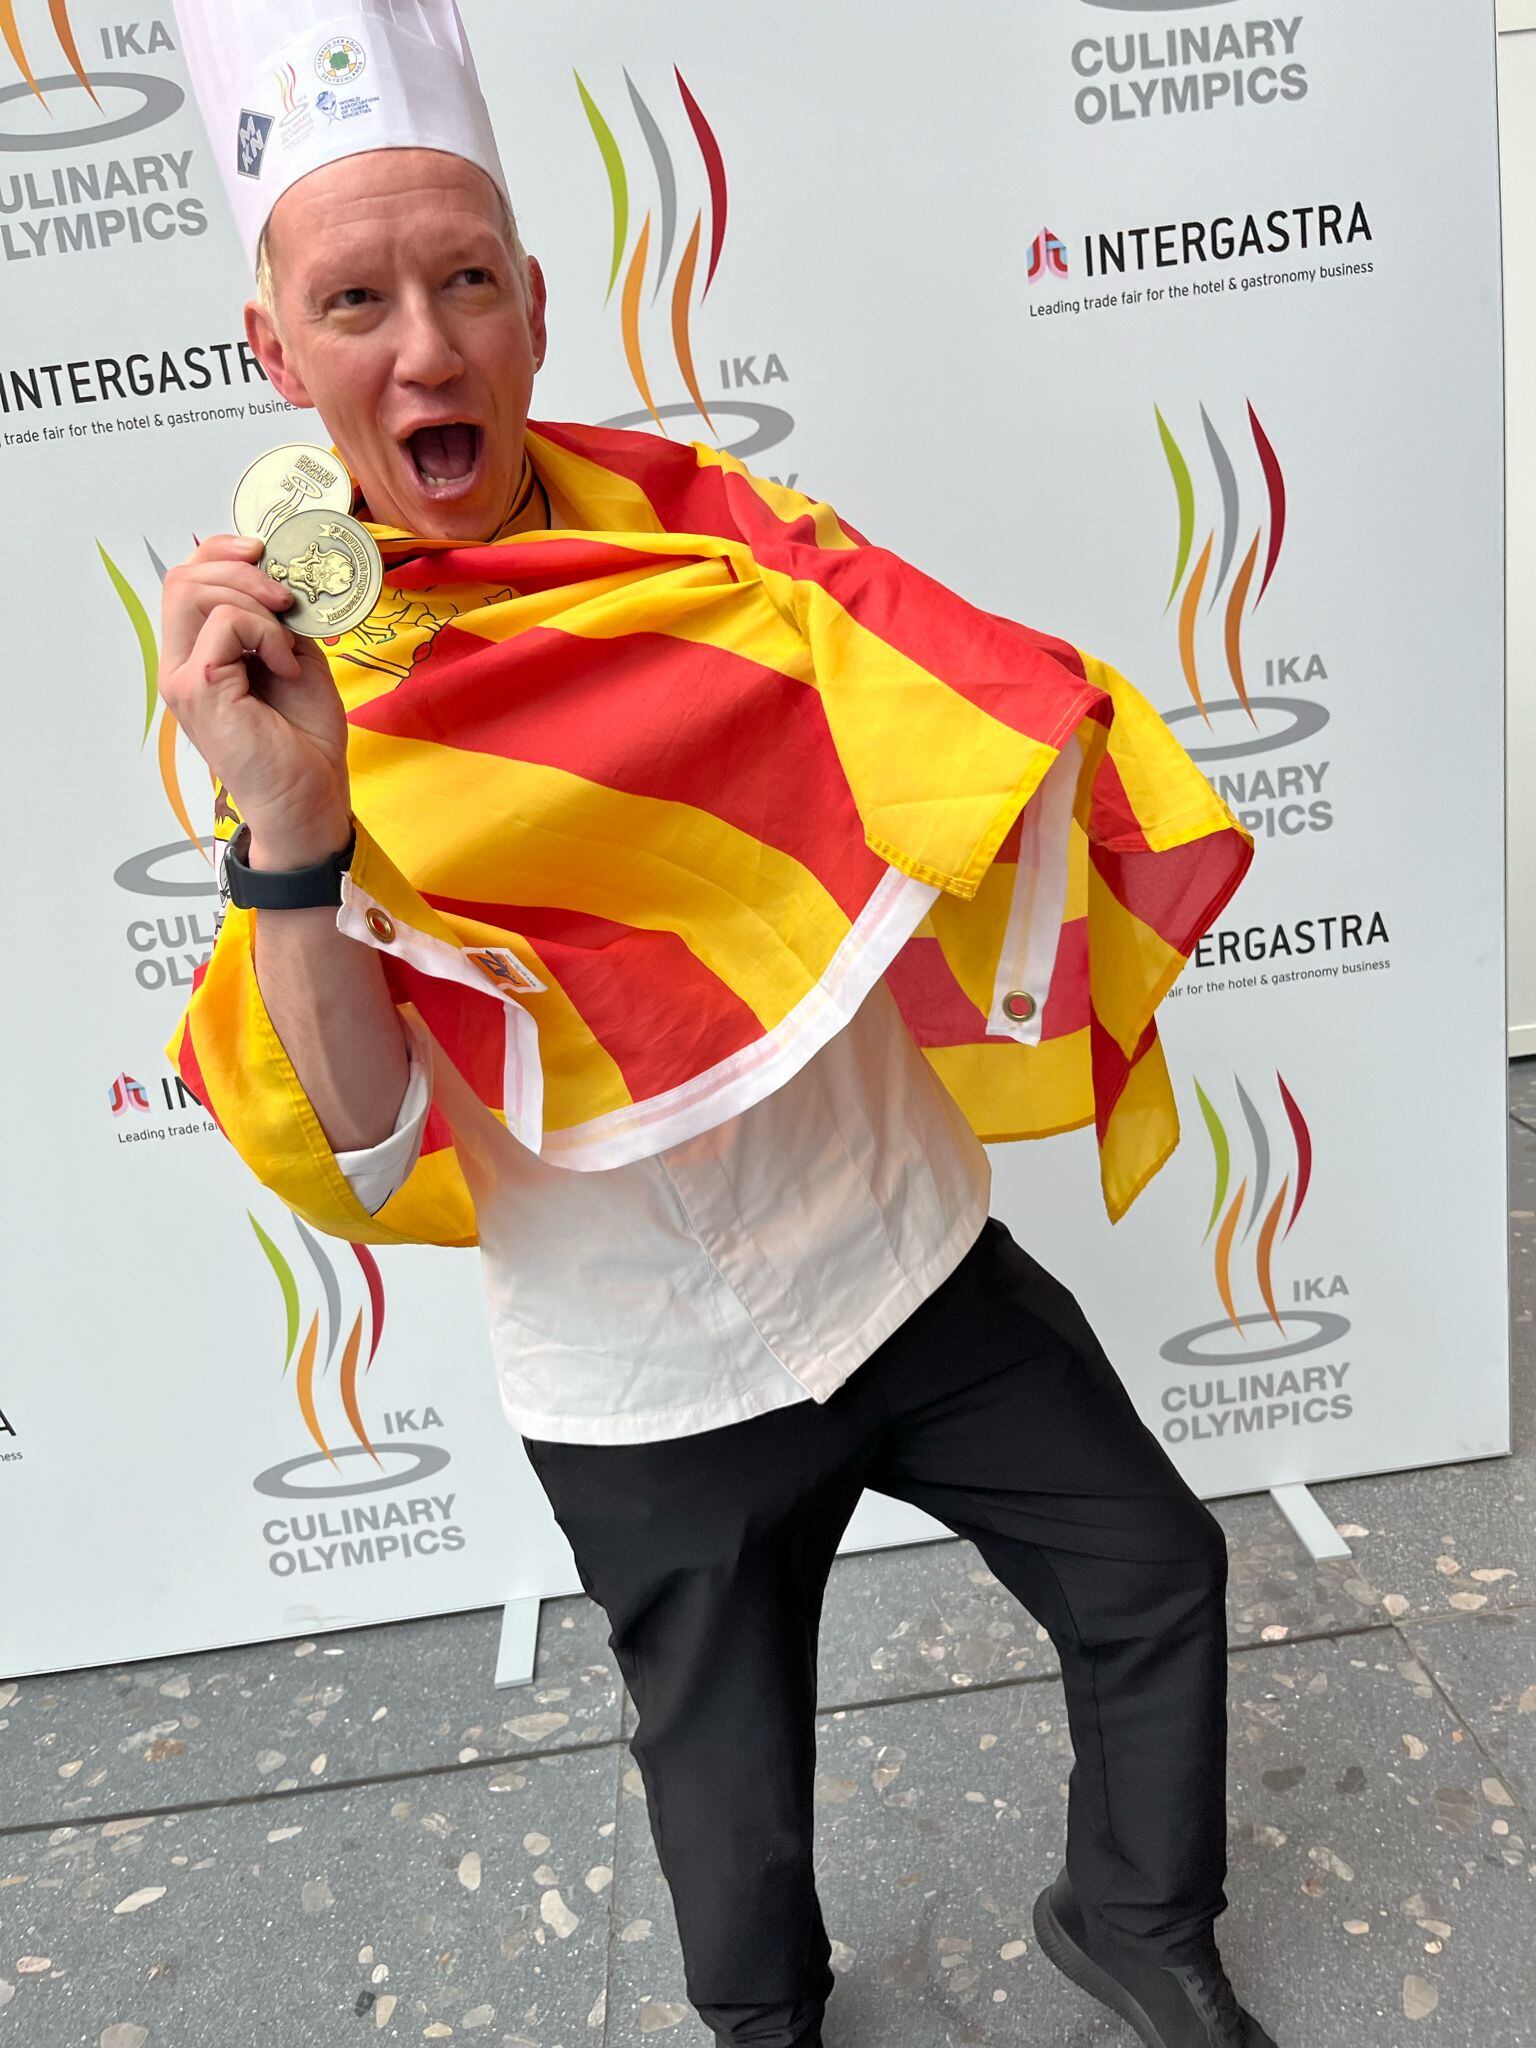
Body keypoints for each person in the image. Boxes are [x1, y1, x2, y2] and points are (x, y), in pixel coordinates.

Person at [163, 7, 1271, 2043]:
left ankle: (1135, 1913)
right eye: (358, 299)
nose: (426, 348)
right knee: (735, 1834)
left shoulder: (712, 542)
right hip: (641, 1371)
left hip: (899, 1250)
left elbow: (959, 725)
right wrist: (295, 828)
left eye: (467, 282)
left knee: (1153, 1574)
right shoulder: (274, 688)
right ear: (280, 355)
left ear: (536, 310)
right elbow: (370, 1118)